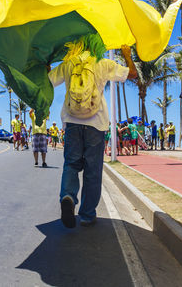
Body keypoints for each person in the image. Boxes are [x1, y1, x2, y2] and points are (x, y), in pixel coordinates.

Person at [48, 34, 137, 228]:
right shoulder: (103, 63)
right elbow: (132, 74)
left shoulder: (69, 63)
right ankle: (87, 215)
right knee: (93, 170)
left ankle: (68, 196)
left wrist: (47, 66)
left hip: (71, 121)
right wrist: (127, 55)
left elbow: (49, 81)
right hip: (96, 124)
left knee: (71, 164)